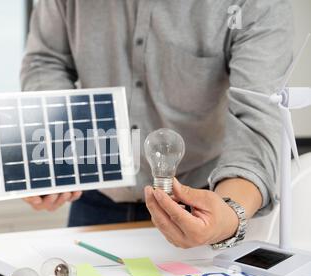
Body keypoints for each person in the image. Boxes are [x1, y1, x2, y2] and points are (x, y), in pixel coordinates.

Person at [19, 0, 293, 249]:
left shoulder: (254, 4)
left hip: (201, 203)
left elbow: (258, 113)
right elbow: (45, 60)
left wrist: (229, 213)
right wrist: (57, 148)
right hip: (96, 199)